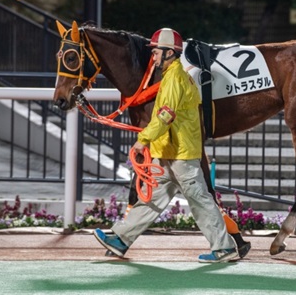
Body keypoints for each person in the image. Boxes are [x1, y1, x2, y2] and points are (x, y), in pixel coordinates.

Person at [93, 28, 238, 263]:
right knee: (150, 201)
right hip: (170, 153)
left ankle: (224, 248)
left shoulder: (174, 78)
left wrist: (143, 140)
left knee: (199, 200)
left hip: (181, 155)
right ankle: (121, 239)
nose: (153, 56)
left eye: (157, 52)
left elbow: (165, 115)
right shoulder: (172, 76)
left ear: (169, 52)